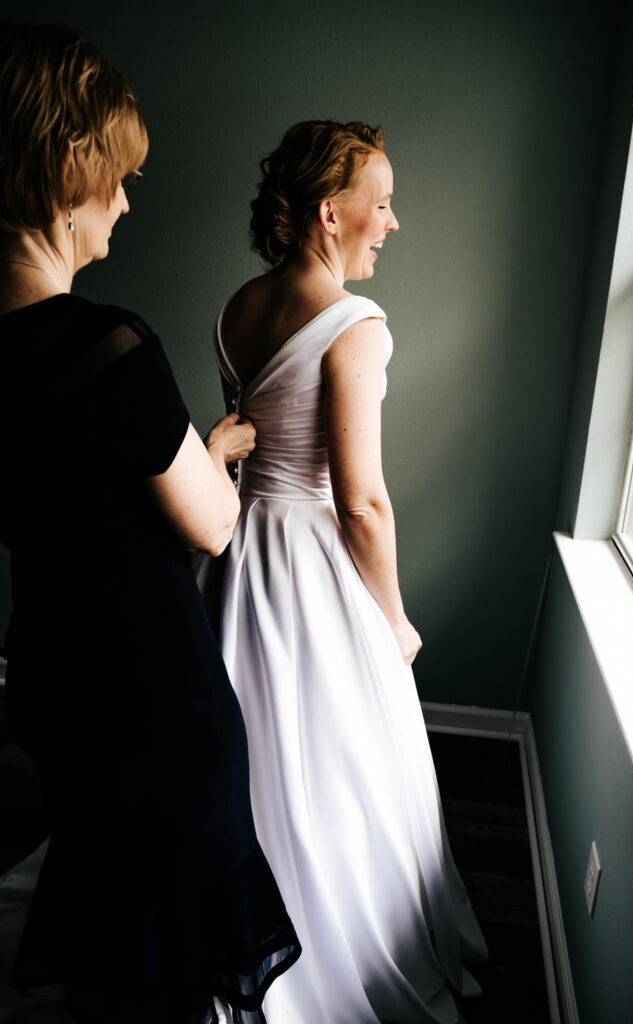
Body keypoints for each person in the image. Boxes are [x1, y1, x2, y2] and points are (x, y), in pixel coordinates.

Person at [0, 22, 300, 1024]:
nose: (127, 202)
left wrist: (185, 451)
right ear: (64, 170)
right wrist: (207, 463)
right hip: (151, 713)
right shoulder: (109, 346)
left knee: (109, 955)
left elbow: (76, 486)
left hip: (56, 693)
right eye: (117, 177)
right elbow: (213, 527)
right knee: (170, 974)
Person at [208, 120, 488, 1023]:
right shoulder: (354, 325)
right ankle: (326, 954)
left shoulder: (239, 306)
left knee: (247, 749)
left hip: (239, 554)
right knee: (331, 763)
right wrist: (393, 622)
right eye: (384, 201)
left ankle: (238, 937)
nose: (394, 221)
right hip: (310, 560)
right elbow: (361, 501)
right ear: (332, 213)